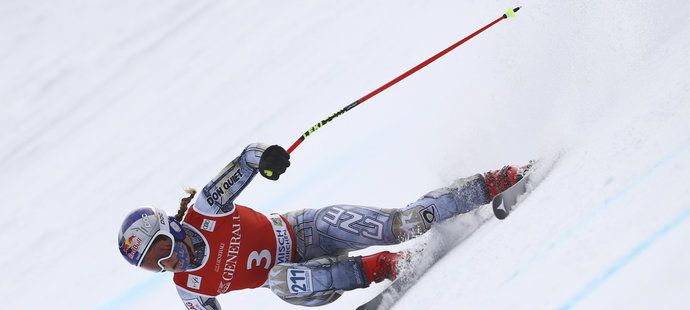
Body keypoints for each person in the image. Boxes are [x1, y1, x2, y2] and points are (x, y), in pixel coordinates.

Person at [117, 143, 529, 309]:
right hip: (308, 284)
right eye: (154, 266)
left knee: (403, 222)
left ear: (170, 228)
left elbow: (246, 160)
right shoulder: (190, 290)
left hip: (309, 231)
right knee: (281, 280)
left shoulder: (207, 209)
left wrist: (266, 157)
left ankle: (501, 179)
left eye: (161, 250)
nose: (168, 263)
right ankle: (388, 267)